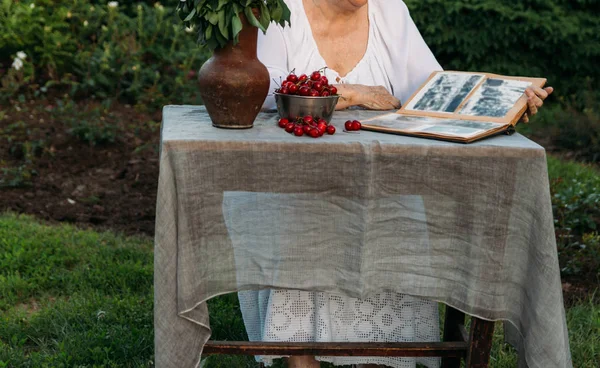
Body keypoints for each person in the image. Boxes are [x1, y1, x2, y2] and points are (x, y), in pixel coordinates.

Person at [238, 1, 553, 368]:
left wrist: (507, 101)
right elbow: (259, 85)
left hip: (380, 188)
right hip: (296, 186)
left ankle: (378, 356)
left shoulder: (389, 10)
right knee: (308, 222)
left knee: (392, 222)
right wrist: (349, 93)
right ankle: (301, 355)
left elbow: (436, 91)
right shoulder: (282, 9)